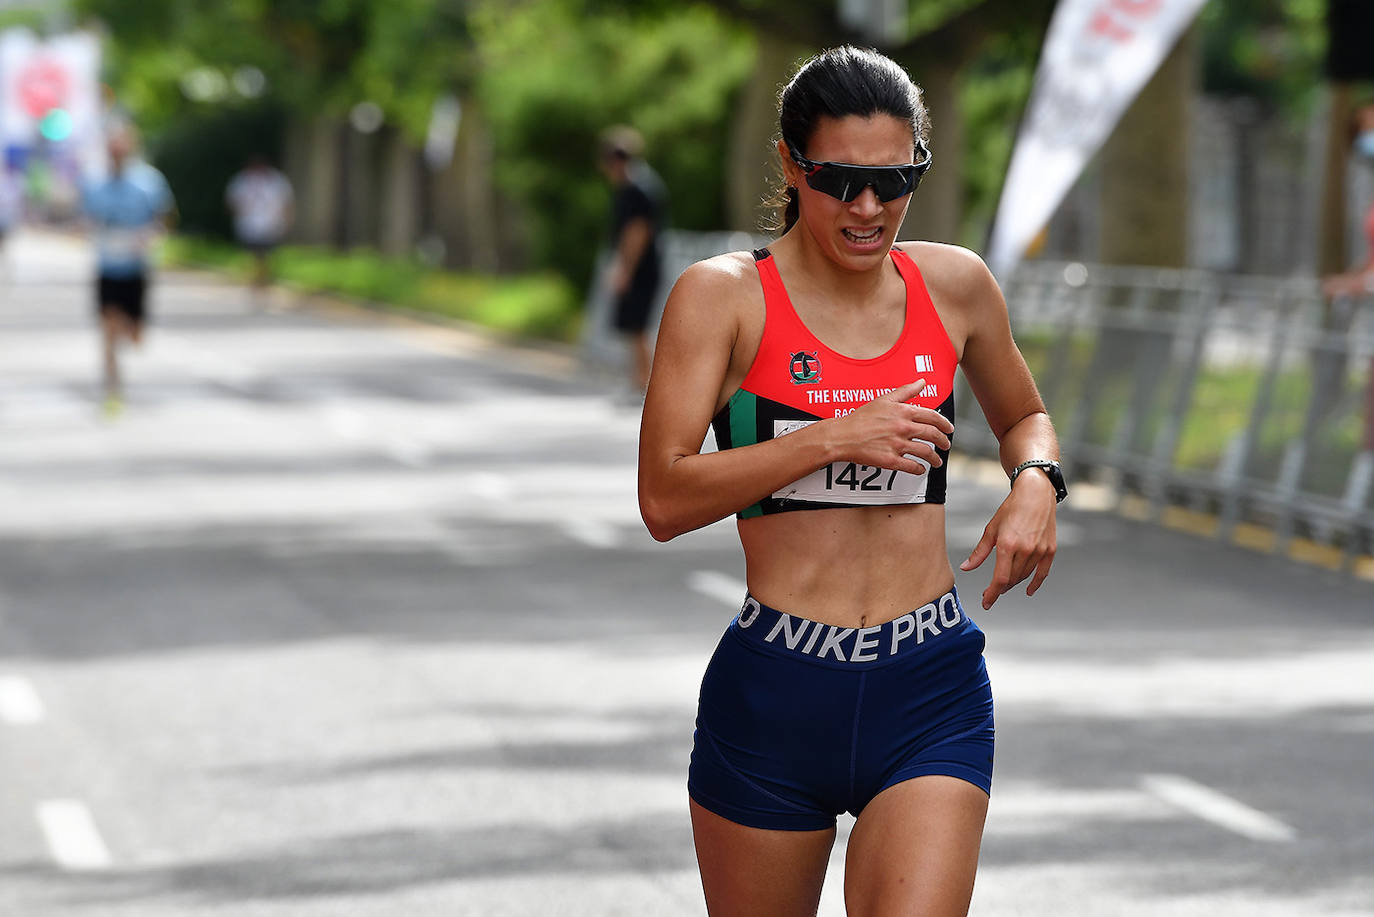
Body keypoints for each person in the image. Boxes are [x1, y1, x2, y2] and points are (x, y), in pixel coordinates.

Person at [638, 47, 1064, 915]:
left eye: (895, 180)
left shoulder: (955, 285)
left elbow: (1027, 417)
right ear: (793, 164)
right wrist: (833, 436)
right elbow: (664, 498)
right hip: (777, 692)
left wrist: (1036, 482)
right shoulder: (723, 298)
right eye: (839, 180)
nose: (869, 208)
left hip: (928, 681)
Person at [82, 126, 175, 415]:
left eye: (121, 146)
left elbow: (166, 219)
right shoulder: (94, 183)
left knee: (134, 335)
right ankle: (113, 388)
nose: (116, 151)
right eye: (112, 146)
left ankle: (128, 326)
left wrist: (150, 236)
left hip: (136, 268)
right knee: (107, 328)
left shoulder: (149, 182)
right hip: (107, 267)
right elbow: (85, 219)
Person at [598, 126, 667, 395]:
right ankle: (639, 380)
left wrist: (624, 268)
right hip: (645, 265)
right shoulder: (644, 182)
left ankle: (644, 383)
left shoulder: (635, 188)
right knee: (634, 325)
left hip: (640, 266)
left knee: (637, 326)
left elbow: (636, 231)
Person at [225, 154, 294, 297]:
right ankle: (258, 280)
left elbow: (286, 202)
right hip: (249, 225)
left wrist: (286, 221)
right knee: (254, 255)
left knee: (266, 255)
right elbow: (232, 201)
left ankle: (261, 280)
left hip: (271, 224)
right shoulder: (242, 180)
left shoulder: (277, 180)